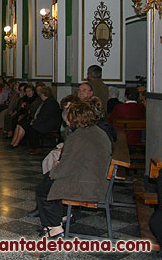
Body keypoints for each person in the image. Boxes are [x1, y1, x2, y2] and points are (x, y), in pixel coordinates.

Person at [35, 100, 112, 238]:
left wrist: (54, 170)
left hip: (88, 185)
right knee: (52, 180)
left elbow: (66, 166)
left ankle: (54, 228)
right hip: (98, 179)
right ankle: (65, 216)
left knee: (44, 188)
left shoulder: (77, 137)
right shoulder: (98, 132)